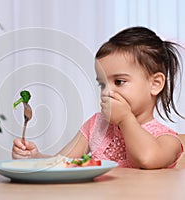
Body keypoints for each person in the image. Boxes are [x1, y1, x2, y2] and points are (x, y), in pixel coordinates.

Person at [12, 26, 184, 169]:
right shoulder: (96, 124)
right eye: (102, 84)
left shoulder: (168, 140)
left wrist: (125, 118)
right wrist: (34, 157)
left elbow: (147, 159)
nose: (107, 92)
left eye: (119, 81)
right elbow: (62, 163)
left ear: (155, 84)